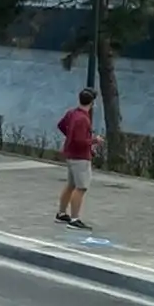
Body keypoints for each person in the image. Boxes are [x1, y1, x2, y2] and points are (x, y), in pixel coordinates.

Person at [56, 87, 98, 229]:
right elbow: (81, 141)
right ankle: (74, 219)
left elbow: (61, 125)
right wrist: (94, 141)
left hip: (70, 154)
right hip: (80, 157)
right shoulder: (83, 119)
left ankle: (61, 213)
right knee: (81, 187)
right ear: (92, 103)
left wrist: (69, 136)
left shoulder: (72, 113)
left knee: (71, 184)